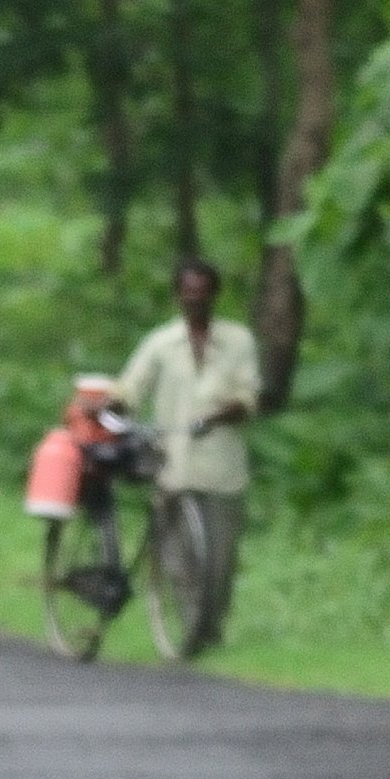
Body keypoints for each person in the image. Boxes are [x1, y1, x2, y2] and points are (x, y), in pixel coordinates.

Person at [113, 258, 261, 644]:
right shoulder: (161, 343)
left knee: (219, 563)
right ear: (178, 296)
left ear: (214, 294)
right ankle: (193, 626)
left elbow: (248, 396)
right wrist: (112, 406)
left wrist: (222, 413)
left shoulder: (238, 340)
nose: (194, 301)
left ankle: (211, 630)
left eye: (202, 293)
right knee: (178, 557)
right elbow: (131, 388)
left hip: (221, 470)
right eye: (187, 293)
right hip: (173, 466)